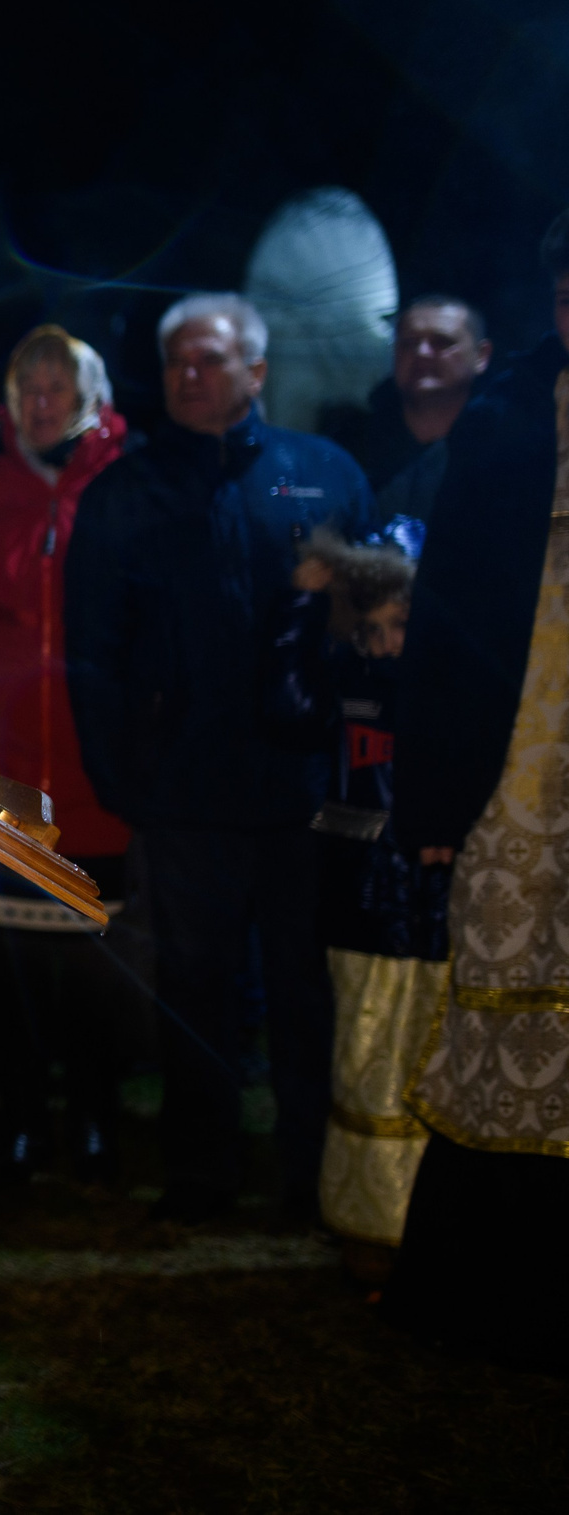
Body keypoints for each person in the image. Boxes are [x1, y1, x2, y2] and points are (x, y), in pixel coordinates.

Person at [64, 292, 372, 1222]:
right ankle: (201, 1172)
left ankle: (311, 1174)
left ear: (257, 371)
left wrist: (353, 762)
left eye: (208, 360)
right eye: (175, 364)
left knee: (301, 990)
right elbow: (92, 645)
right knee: (194, 987)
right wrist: (119, 774)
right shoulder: (128, 489)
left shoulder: (320, 475)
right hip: (184, 790)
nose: (188, 378)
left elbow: (366, 630)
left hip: (299, 788)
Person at [383, 209, 569, 1364]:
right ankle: (488, 1291)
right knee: (503, 1002)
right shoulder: (505, 423)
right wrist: (437, 802)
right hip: (521, 771)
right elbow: (448, 628)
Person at [0, 326, 132, 1181]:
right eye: (28, 387)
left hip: (96, 771)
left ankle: (93, 1116)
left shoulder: (123, 485)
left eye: (59, 386)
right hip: (2, 773)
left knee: (94, 964)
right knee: (8, 967)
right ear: (10, 401)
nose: (43, 402)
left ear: (89, 393)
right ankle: (20, 1118)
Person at [265, 522, 441, 1282]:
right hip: (355, 905)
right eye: (371, 628)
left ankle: (431, 1216)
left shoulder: (445, 693)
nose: (385, 644)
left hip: (432, 905)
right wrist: (302, 608)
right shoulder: (343, 680)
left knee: (426, 1058)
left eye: (400, 625)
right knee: (359, 1058)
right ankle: (365, 1219)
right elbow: (288, 704)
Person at [337, 295, 491, 519]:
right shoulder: (351, 445)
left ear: (481, 355)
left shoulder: (503, 449)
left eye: (442, 342)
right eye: (408, 342)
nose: (422, 353)